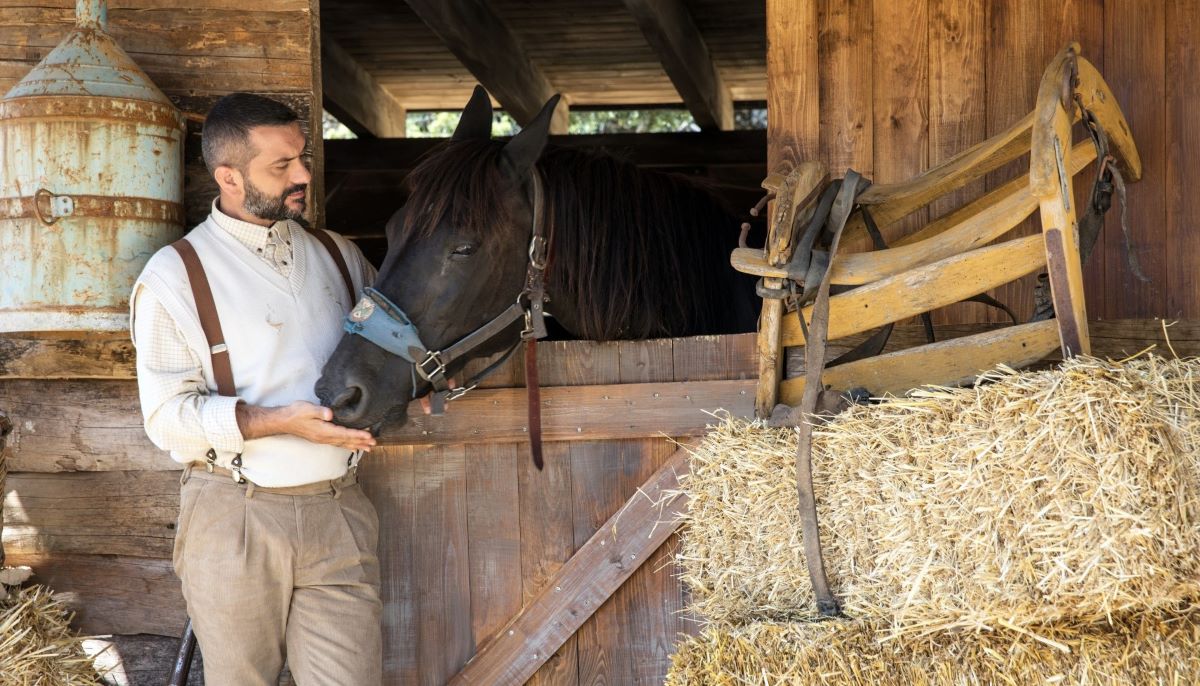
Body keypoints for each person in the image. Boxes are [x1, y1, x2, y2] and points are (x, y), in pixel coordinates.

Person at [130, 92, 382, 685]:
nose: (302, 177)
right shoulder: (174, 276)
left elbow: (396, 350)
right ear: (229, 177)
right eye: (281, 166)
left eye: (302, 159)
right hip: (235, 515)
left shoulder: (341, 256)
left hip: (339, 509)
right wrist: (275, 422)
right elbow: (166, 418)